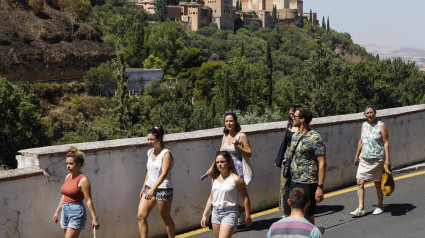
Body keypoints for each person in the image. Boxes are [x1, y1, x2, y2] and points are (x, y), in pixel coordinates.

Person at [206, 112, 252, 225]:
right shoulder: (225, 136)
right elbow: (220, 154)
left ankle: (243, 217)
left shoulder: (242, 136)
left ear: (235, 122)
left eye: (231, 121)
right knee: (224, 194)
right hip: (224, 168)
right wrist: (212, 167)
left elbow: (249, 153)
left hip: (236, 169)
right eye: (226, 121)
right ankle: (239, 213)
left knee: (235, 196)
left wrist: (238, 146)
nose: (228, 123)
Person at [283, 107, 326, 225]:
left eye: (295, 116)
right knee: (287, 213)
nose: (292, 118)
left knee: (307, 217)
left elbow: (322, 162)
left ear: (302, 119)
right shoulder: (295, 135)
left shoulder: (315, 138)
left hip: (307, 182)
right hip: (292, 181)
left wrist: (320, 187)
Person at [351, 103, 391, 217]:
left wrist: (387, 159)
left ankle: (380, 206)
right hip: (364, 158)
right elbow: (361, 141)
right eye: (367, 113)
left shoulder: (381, 125)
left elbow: (386, 143)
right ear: (364, 114)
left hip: (377, 159)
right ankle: (361, 208)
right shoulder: (363, 125)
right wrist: (356, 155)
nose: (369, 114)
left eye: (371, 112)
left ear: (375, 112)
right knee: (359, 181)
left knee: (377, 183)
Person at [201, 151, 252, 237]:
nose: (219, 164)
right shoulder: (214, 178)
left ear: (228, 162)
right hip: (215, 213)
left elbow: (246, 198)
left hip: (230, 212)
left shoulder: (236, 179)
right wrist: (204, 215)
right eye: (217, 162)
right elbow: (211, 197)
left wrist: (248, 216)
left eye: (222, 162)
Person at [53, 146, 100, 238]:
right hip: (65, 211)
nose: (68, 166)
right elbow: (64, 196)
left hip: (76, 212)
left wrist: (95, 218)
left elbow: (88, 201)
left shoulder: (83, 180)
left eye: (71, 163)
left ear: (79, 164)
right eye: (66, 163)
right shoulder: (68, 177)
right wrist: (57, 211)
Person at [137, 126, 175, 238]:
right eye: (148, 139)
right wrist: (144, 187)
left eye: (152, 139)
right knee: (141, 216)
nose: (149, 142)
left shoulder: (166, 154)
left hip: (163, 188)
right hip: (150, 187)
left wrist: (153, 189)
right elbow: (149, 171)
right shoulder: (149, 152)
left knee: (165, 217)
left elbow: (163, 174)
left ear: (159, 138)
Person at [275, 104, 301, 212]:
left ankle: (297, 206)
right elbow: (284, 142)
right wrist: (279, 159)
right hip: (287, 157)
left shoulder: (302, 127)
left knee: (295, 183)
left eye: (292, 114)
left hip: (297, 157)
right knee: (284, 183)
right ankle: (285, 207)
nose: (291, 116)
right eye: (290, 114)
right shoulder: (289, 125)